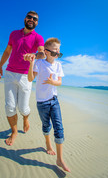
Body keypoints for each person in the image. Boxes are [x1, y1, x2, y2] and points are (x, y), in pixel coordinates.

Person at [0, 11, 44, 146]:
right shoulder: (14, 34)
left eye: (35, 19)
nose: (31, 20)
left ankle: (25, 118)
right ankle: (14, 132)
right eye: (29, 17)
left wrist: (34, 55)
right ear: (25, 19)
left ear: (37, 23)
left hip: (25, 76)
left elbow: (41, 53)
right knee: (10, 107)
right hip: (10, 73)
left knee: (23, 108)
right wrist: (0, 65)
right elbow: (7, 51)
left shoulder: (38, 37)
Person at [27, 38, 70, 172]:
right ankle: (47, 142)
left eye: (59, 52)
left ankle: (60, 159)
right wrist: (31, 63)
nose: (57, 54)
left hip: (54, 100)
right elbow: (30, 79)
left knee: (59, 128)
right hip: (42, 102)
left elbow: (59, 82)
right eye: (55, 52)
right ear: (46, 52)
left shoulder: (58, 66)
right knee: (46, 126)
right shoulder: (39, 63)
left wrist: (52, 82)